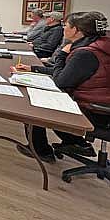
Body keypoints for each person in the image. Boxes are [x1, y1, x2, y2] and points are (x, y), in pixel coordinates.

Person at [16, 11, 110, 163]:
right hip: (101, 104)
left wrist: (61, 55)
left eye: (66, 25)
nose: (63, 28)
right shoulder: (100, 45)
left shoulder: (85, 54)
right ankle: (76, 143)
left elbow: (61, 81)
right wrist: (33, 69)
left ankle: (40, 151)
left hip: (95, 110)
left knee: (33, 103)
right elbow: (69, 72)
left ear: (76, 30)